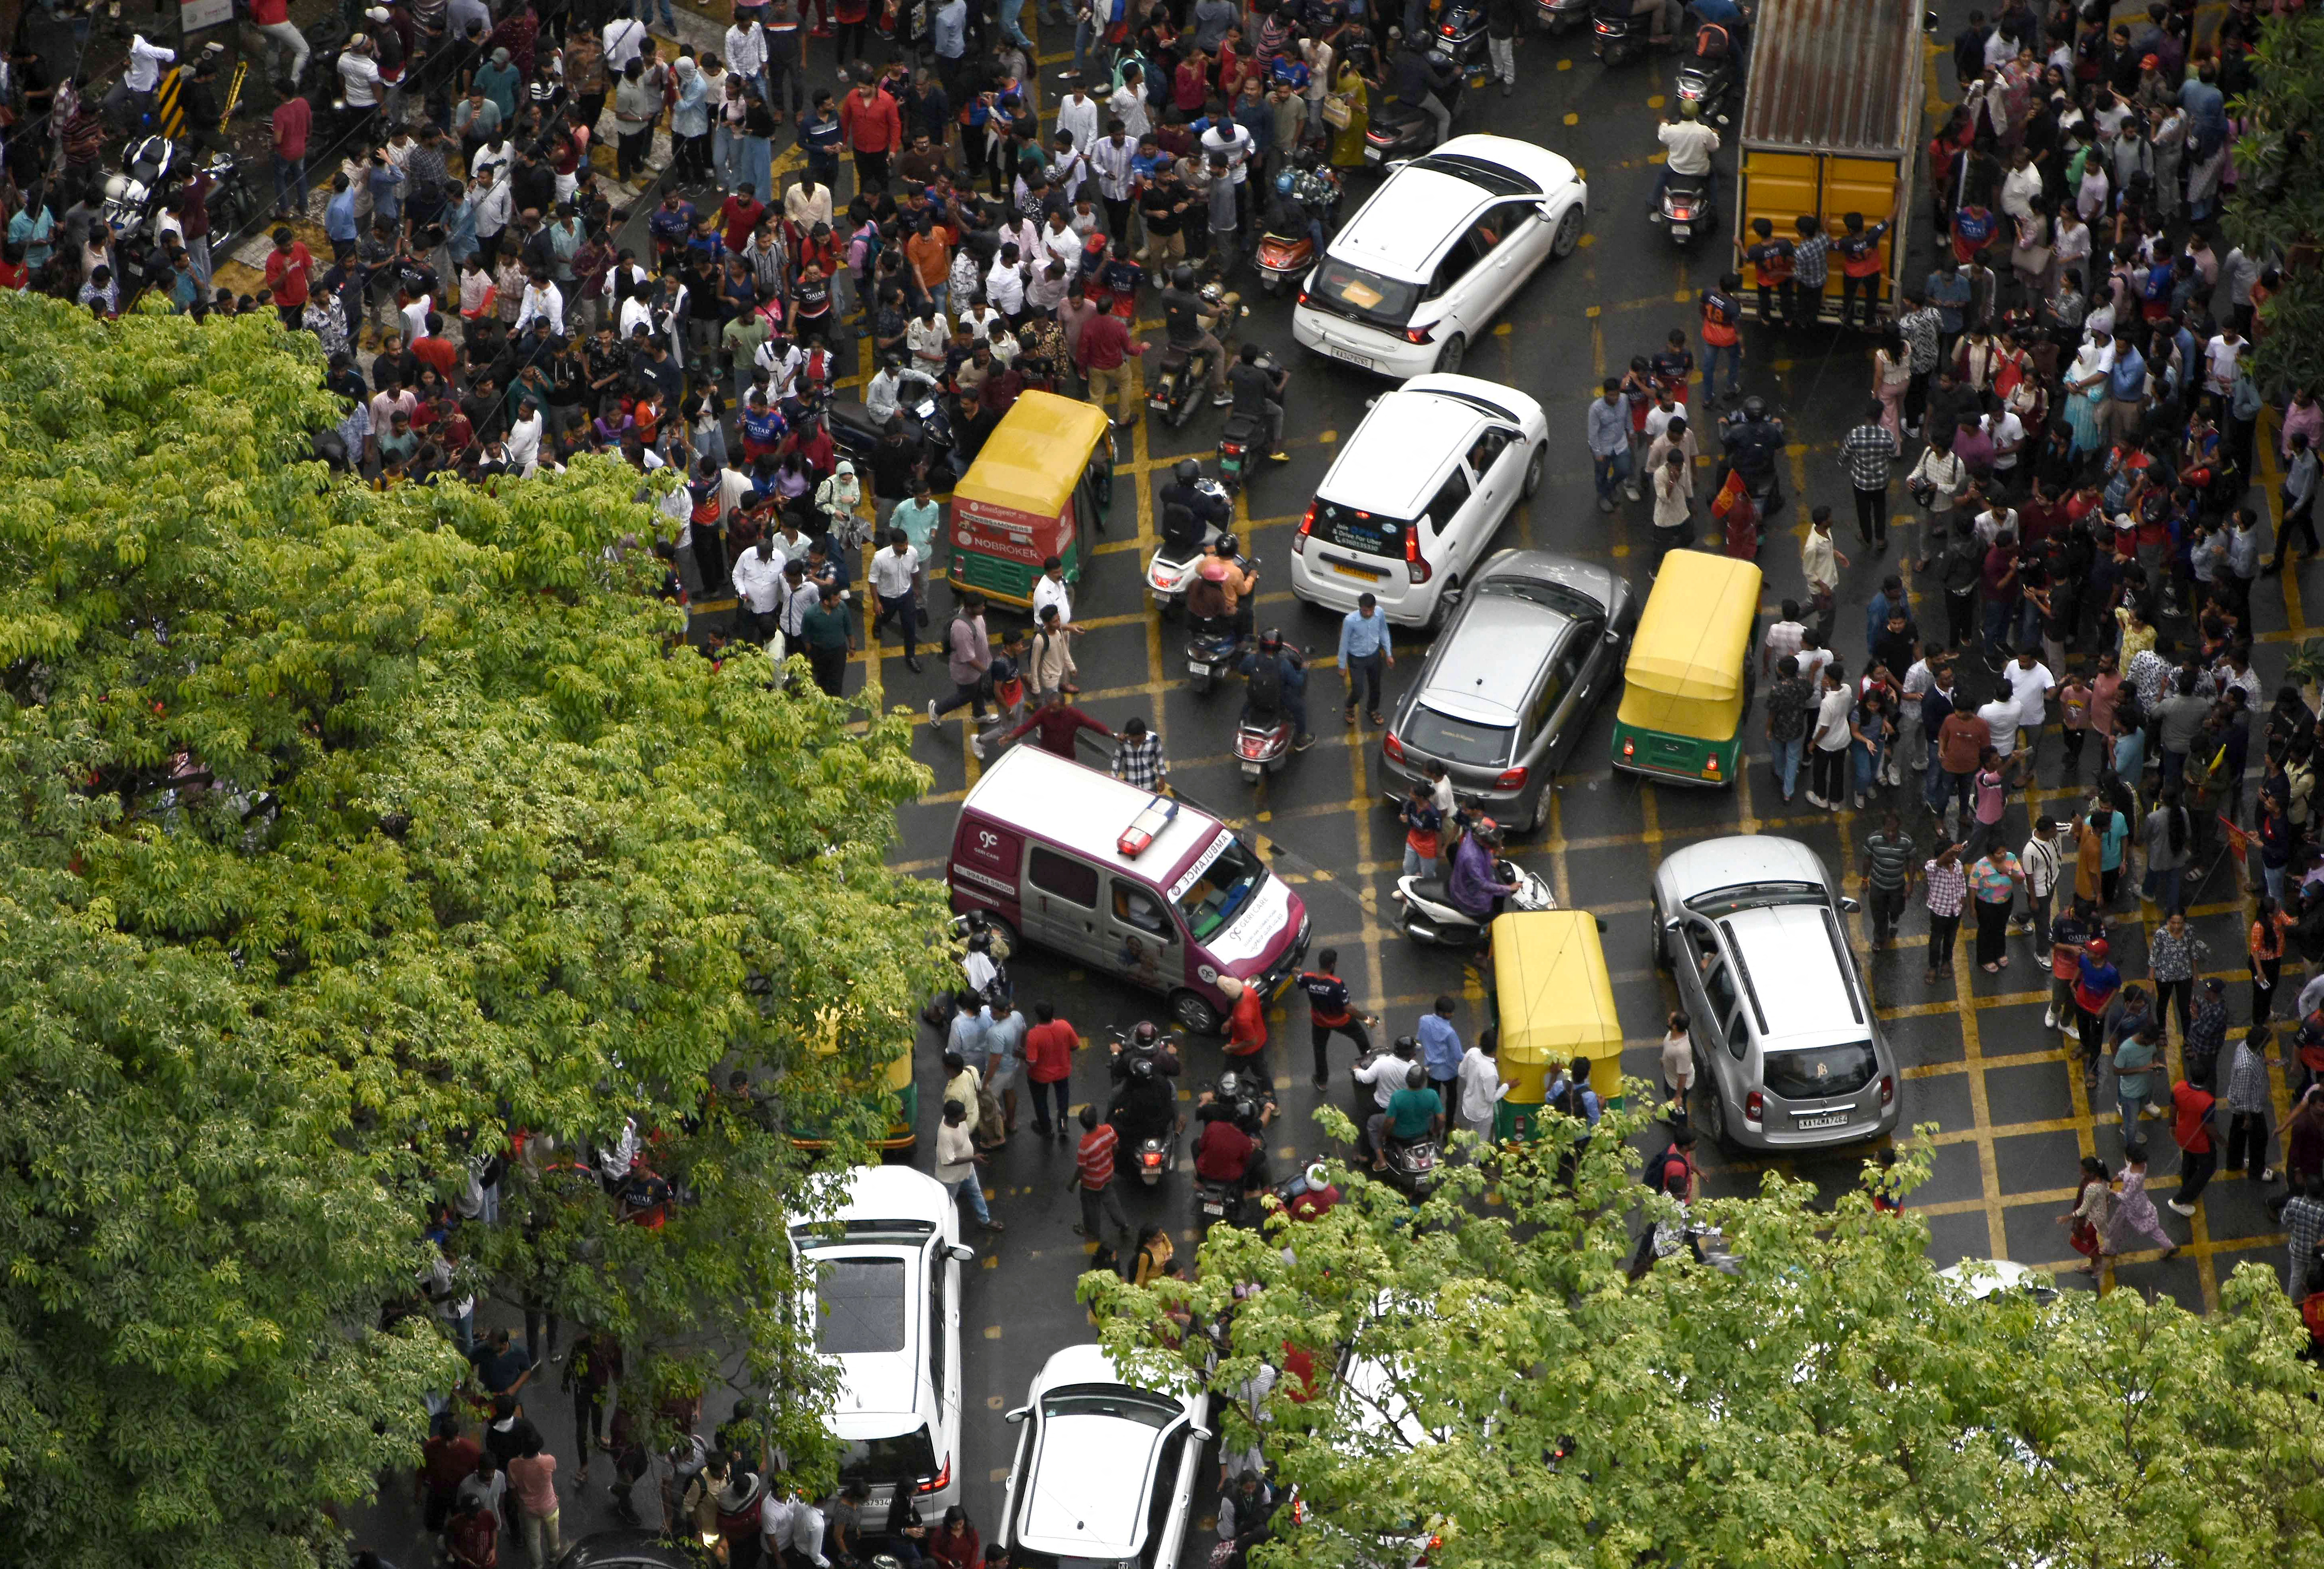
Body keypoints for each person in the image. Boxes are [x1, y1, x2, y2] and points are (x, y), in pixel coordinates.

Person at [1296, 950, 1375, 1089]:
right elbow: (1348, 1008)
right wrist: (1367, 1019)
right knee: (1361, 1039)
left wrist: (1295, 973)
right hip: (1341, 1022)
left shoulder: (1308, 978)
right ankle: (1371, 1068)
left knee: (1320, 1049)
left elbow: (1299, 979)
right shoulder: (1336, 984)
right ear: (1332, 965)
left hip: (1319, 1022)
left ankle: (1322, 1081)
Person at [2223, 1027, 2282, 1185]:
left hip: (2242, 1105)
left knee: (2238, 1136)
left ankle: (2234, 1163)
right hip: (2249, 1108)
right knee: (2259, 1139)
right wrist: (2247, 1119)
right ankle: (2257, 1171)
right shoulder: (2246, 1067)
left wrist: (2265, 1061)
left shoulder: (2244, 1046)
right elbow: (2243, 1097)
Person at [934, 1099, 1002, 1231]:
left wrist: (972, 1160)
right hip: (951, 1179)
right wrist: (974, 1158)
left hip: (967, 1170)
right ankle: (943, 1230)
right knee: (947, 1205)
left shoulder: (955, 1121)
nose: (966, 1115)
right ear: (954, 1118)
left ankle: (985, 1220)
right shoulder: (946, 1135)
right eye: (962, 1114)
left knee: (976, 1193)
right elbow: (948, 1161)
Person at [2108, 1141, 2181, 1260]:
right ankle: (2169, 1246)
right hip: (2140, 1201)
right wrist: (2115, 1180)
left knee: (2117, 1225)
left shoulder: (2136, 1177)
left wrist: (2111, 1192)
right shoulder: (2141, 1165)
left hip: (2132, 1205)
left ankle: (2110, 1249)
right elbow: (2126, 1172)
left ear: (2130, 1158)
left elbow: (2126, 1197)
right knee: (2150, 1226)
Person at [1071, 1105, 1132, 1248]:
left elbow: (1081, 1168)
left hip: (1091, 1183)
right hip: (1107, 1175)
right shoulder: (1109, 1130)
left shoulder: (1085, 1145)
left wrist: (1073, 1183)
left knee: (1090, 1208)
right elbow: (1116, 1147)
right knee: (1111, 1201)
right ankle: (1123, 1224)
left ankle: (1093, 1232)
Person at [1369, 1061, 1444, 1171]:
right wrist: (1435, 1131)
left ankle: (1381, 1161)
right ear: (1423, 1082)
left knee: (1373, 1122)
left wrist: (1384, 1135)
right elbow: (1441, 1119)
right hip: (1423, 1131)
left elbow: (1390, 1122)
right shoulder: (1432, 1095)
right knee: (1431, 1115)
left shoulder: (1398, 1097)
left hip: (1400, 1134)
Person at [1022, 1002, 1080, 1138]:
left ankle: (1046, 1128)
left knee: (1041, 1102)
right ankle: (1063, 1124)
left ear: (1037, 1016)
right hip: (1063, 1071)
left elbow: (1032, 1061)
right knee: (1063, 1098)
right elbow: (1075, 1045)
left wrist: (1021, 1055)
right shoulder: (1064, 1026)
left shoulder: (1034, 1035)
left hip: (1040, 1076)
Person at [1228, 341, 1291, 464]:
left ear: (1241, 358)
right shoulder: (1261, 375)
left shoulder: (1235, 371)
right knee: (1279, 412)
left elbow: (1227, 376)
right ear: (1255, 360)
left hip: (1238, 407)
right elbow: (1277, 392)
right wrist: (1285, 378)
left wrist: (1233, 361)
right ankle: (1276, 451)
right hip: (1258, 409)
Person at [1860, 813, 1917, 948]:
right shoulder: (1873, 839)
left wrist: (1910, 884)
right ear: (1883, 828)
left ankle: (1894, 917)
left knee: (1897, 909)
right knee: (1878, 914)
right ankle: (1879, 939)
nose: (1891, 834)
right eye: (1888, 831)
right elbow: (1867, 860)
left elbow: (1911, 862)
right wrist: (1864, 880)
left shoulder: (1907, 841)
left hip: (1897, 886)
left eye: (1894, 831)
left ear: (1899, 827)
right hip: (1877, 885)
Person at [2167, 1074, 2219, 1218]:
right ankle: (2180, 1200)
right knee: (2209, 1167)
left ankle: (2187, 1185)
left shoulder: (2179, 1088)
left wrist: (2172, 1125)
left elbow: (2172, 1108)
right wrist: (2223, 1142)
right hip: (2199, 1142)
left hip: (2182, 1135)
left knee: (2189, 1160)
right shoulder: (2208, 1102)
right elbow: (2210, 1129)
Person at [1337, 593, 1393, 726]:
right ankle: (1350, 706)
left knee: (1376, 687)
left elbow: (1384, 632)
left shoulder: (1379, 614)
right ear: (1360, 608)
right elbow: (1344, 642)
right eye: (1364, 611)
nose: (1368, 614)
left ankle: (1372, 709)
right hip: (1357, 660)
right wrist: (1342, 665)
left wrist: (1389, 654)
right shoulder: (1350, 621)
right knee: (1358, 690)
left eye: (1370, 610)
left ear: (1375, 607)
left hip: (1374, 656)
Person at [2057, 1154, 2116, 1276]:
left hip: (2092, 1220)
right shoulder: (2103, 1181)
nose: (2080, 1171)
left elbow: (2083, 1209)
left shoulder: (2091, 1188)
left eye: (2083, 1170)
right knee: (2092, 1241)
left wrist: (2067, 1218)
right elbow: (2107, 1193)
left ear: (2090, 1173)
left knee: (2075, 1241)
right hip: (2101, 1218)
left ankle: (2097, 1261)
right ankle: (2094, 1266)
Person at [1923, 841, 1967, 981]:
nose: (1953, 859)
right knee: (1936, 940)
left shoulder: (1958, 865)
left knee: (1951, 938)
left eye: (1955, 856)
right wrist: (1949, 852)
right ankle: (1933, 966)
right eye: (1950, 856)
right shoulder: (1932, 866)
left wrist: (1962, 901)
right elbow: (1937, 863)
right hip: (1939, 911)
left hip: (1955, 911)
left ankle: (1947, 961)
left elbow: (1961, 883)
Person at [1456, 1029, 1506, 1144]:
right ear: (1495, 1050)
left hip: (1469, 1106)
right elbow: (1491, 1098)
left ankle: (1470, 1155)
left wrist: (1474, 1081)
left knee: (1473, 1134)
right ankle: (1474, 1161)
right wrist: (1507, 1086)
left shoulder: (1472, 1052)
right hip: (1482, 1113)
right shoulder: (1490, 1072)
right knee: (1481, 1141)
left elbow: (1461, 1072)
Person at [1659, 1011, 1693, 1111]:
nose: (1668, 1019)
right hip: (1670, 1077)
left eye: (1670, 1019)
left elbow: (1683, 1076)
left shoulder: (1682, 1051)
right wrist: (1664, 1060)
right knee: (1668, 1097)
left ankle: (1679, 1123)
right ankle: (1671, 1115)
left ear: (1675, 1027)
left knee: (1678, 1108)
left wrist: (1678, 1097)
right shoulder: (1673, 1033)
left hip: (1676, 1085)